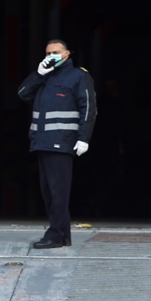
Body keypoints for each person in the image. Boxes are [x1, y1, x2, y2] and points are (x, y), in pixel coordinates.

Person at [18, 39, 96, 249]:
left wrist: (83, 137)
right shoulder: (44, 76)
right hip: (42, 143)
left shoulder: (78, 76)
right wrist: (38, 74)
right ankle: (63, 235)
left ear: (67, 54)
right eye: (48, 52)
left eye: (56, 52)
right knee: (48, 192)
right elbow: (23, 93)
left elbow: (88, 108)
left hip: (62, 143)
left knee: (57, 192)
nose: (51, 55)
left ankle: (55, 233)